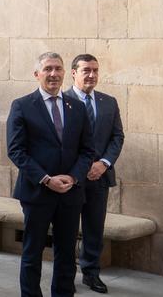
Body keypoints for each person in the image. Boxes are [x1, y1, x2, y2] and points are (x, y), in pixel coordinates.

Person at [7, 52, 95, 297]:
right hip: (37, 192)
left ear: (65, 73)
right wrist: (46, 179)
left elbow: (88, 150)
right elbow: (16, 151)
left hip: (70, 193)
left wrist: (74, 177)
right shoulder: (22, 106)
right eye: (48, 69)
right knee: (32, 252)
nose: (54, 74)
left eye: (58, 69)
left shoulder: (76, 106)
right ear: (37, 74)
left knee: (67, 253)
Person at [63, 54, 123, 295]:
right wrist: (79, 169)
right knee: (66, 229)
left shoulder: (109, 102)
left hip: (100, 176)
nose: (91, 75)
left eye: (95, 70)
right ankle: (65, 275)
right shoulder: (61, 100)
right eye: (86, 70)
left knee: (95, 228)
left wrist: (104, 163)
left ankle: (91, 273)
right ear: (74, 73)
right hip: (70, 177)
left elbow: (117, 136)